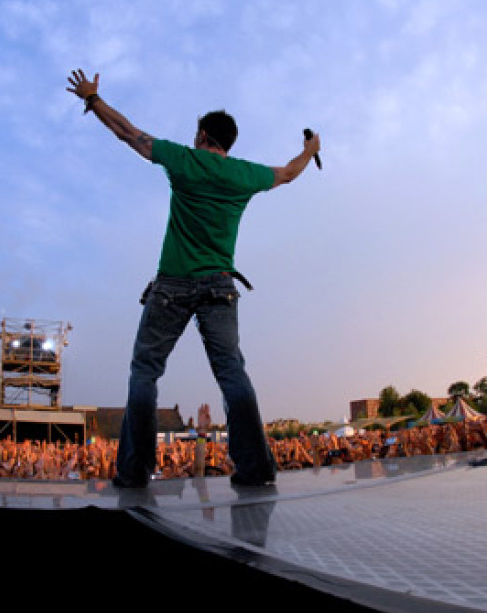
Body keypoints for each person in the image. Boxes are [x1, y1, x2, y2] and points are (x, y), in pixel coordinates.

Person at [66, 69, 321, 488]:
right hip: (220, 286)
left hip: (172, 286)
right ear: (228, 142)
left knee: (146, 370)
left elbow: (128, 133)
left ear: (203, 134)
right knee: (232, 373)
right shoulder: (245, 175)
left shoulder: (185, 160)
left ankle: (133, 472)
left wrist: (93, 100)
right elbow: (290, 173)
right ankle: (256, 468)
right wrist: (310, 149)